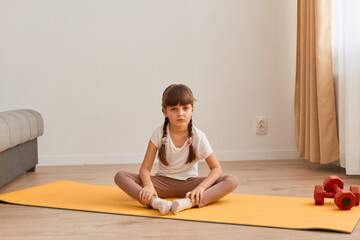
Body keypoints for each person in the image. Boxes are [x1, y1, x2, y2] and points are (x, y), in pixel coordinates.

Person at [114, 84, 239, 215]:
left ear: (192, 109)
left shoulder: (199, 137)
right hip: (162, 183)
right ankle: (155, 202)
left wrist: (201, 188)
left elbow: (217, 169)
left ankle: (189, 202)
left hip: (190, 184)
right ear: (165, 111)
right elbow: (145, 169)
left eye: (185, 108)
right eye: (174, 109)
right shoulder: (158, 134)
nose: (180, 113)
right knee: (121, 176)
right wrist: (149, 186)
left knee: (231, 180)